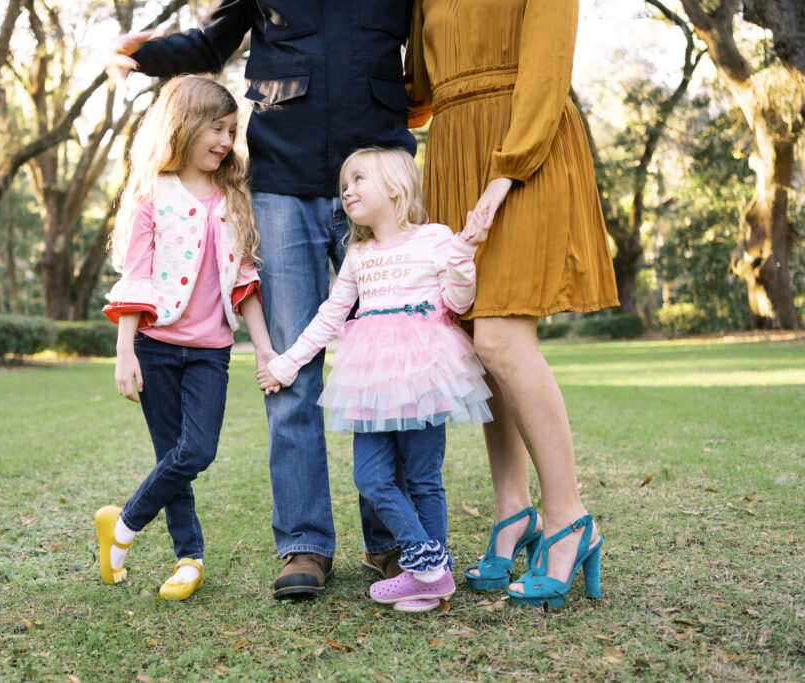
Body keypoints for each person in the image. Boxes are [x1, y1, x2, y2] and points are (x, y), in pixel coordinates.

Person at [107, 1, 418, 598]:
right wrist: (137, 52)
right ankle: (304, 545)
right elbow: (206, 44)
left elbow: (432, 54)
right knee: (291, 375)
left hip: (378, 180)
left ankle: (391, 541)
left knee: (383, 368)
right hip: (282, 186)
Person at [405, 0, 617, 609]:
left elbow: (549, 68)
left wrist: (505, 174)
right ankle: (513, 512)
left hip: (525, 147)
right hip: (452, 150)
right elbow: (416, 91)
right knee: (476, 344)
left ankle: (569, 517)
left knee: (499, 337)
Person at [258, 148, 492, 613]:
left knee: (423, 478)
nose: (347, 190)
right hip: (369, 378)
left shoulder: (435, 238)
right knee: (372, 477)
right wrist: (287, 363)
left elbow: (459, 301)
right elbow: (331, 314)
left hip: (424, 373)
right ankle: (430, 566)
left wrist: (463, 254)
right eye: (345, 183)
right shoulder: (358, 253)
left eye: (359, 179)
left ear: (395, 186)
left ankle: (426, 577)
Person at [94, 75, 277, 601]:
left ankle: (121, 528)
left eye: (231, 130)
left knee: (195, 451)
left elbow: (243, 281)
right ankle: (188, 558)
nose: (224, 141)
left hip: (209, 352)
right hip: (154, 345)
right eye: (215, 129)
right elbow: (137, 276)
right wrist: (125, 350)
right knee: (169, 457)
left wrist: (263, 348)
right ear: (184, 125)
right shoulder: (154, 193)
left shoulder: (232, 197)